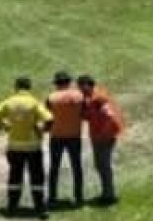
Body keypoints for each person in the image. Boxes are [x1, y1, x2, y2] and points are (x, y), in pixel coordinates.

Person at [0, 77, 53, 220]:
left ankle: (12, 207)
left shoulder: (9, 102)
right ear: (29, 87)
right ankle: (39, 207)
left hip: (14, 145)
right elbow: (49, 119)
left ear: (16, 87)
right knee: (36, 177)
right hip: (32, 146)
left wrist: (4, 126)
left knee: (15, 176)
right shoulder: (33, 102)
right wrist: (42, 130)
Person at [77, 75, 125, 205]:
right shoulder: (91, 98)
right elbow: (90, 116)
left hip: (104, 137)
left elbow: (110, 116)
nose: (80, 89)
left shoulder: (98, 98)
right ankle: (107, 193)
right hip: (100, 136)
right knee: (100, 165)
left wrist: (103, 133)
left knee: (103, 165)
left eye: (81, 86)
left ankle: (109, 195)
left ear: (87, 85)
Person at [46, 71, 85, 208]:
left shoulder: (51, 97)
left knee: (54, 168)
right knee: (77, 167)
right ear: (69, 82)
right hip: (74, 136)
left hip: (57, 136)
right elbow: (84, 113)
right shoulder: (79, 96)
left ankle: (52, 198)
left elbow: (48, 118)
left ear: (56, 83)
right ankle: (79, 197)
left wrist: (45, 129)